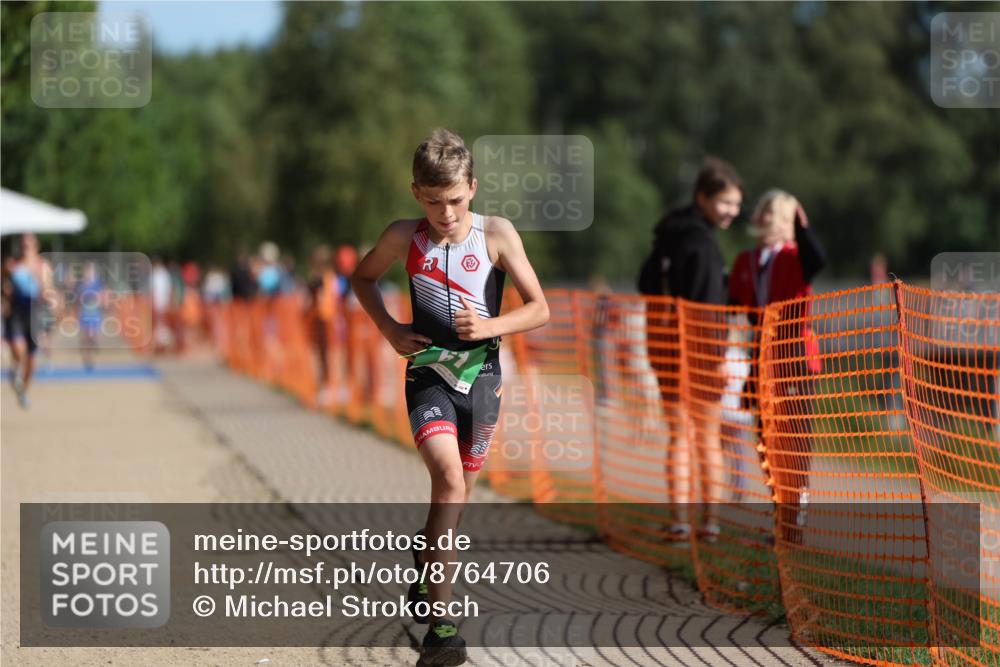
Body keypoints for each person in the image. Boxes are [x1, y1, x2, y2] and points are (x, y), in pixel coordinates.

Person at [351, 128, 549, 666]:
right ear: (417, 193)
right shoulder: (402, 235)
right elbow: (362, 278)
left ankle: (426, 557)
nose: (446, 213)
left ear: (473, 189)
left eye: (456, 200)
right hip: (428, 374)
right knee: (447, 479)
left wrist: (490, 325)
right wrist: (391, 330)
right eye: (434, 201)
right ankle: (443, 631)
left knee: (455, 506)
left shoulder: (497, 235)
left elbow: (539, 308)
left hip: (482, 381)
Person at [637, 158, 744, 543]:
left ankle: (680, 519)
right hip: (701, 353)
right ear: (703, 198)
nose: (732, 211)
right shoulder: (703, 244)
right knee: (707, 436)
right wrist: (718, 358)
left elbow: (645, 281)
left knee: (678, 434)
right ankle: (709, 522)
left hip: (664, 346)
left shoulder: (667, 235)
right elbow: (710, 306)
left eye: (736, 204)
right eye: (726, 203)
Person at [728, 189, 826, 544]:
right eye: (769, 215)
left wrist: (804, 228)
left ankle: (794, 520)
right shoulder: (746, 261)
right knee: (766, 440)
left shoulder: (797, 256)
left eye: (782, 218)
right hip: (761, 359)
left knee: (794, 440)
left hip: (796, 356)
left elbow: (818, 259)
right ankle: (780, 516)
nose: (773, 223)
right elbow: (729, 304)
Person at [3, 234, 48, 408]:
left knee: (32, 362)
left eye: (28, 245)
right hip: (16, 312)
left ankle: (22, 392)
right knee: (18, 348)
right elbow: (6, 287)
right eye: (22, 245)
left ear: (36, 246)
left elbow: (47, 289)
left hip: (34, 313)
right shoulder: (12, 265)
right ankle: (15, 368)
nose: (25, 248)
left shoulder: (42, 265)